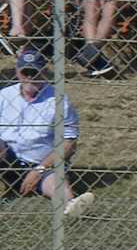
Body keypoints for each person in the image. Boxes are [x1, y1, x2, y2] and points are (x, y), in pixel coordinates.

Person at [0, 47, 92, 216]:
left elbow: (68, 143)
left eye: (34, 72)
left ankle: (73, 205)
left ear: (44, 72)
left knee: (56, 182)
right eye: (25, 72)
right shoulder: (4, 96)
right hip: (7, 159)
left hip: (43, 163)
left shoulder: (59, 101)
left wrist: (39, 170)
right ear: (17, 72)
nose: (29, 77)